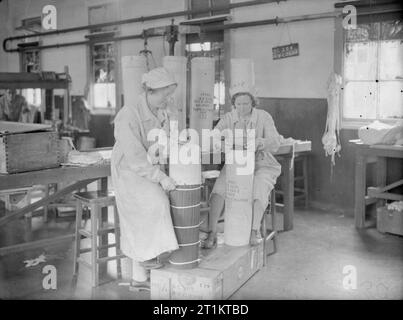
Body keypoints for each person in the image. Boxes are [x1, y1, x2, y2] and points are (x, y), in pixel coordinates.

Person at [111, 67, 179, 289]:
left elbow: (166, 139)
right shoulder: (128, 113)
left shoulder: (162, 110)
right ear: (150, 91)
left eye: (169, 95)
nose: (167, 99)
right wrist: (160, 177)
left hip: (149, 166)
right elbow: (136, 157)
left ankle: (139, 278)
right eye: (164, 95)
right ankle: (145, 263)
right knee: (153, 203)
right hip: (130, 170)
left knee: (153, 205)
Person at [203, 83, 282, 248]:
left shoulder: (264, 116)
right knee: (219, 190)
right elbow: (214, 135)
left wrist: (257, 142)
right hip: (237, 165)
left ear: (253, 102)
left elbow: (275, 142)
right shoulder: (229, 117)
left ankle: (254, 230)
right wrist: (220, 142)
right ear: (234, 104)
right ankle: (212, 232)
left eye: (246, 103)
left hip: (262, 164)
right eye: (238, 104)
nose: (242, 107)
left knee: (259, 188)